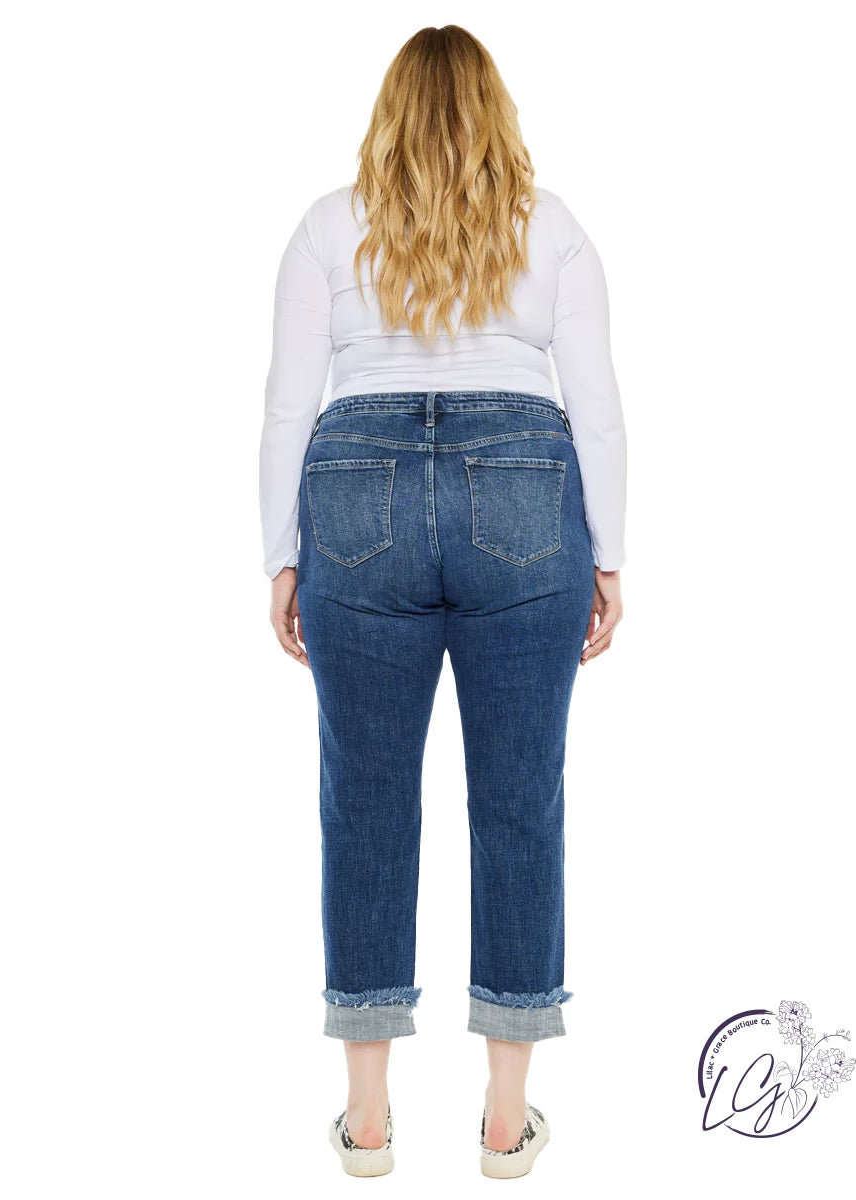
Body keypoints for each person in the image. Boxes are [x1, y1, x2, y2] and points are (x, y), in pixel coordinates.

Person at [259, 24, 626, 1180]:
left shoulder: (328, 226)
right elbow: (596, 404)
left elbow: (287, 406)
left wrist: (281, 555)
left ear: (389, 115)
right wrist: (609, 552)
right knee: (519, 799)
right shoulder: (549, 226)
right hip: (524, 495)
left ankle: (367, 1118)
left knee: (364, 801)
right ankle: (505, 1119)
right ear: (494, 113)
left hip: (354, 498)